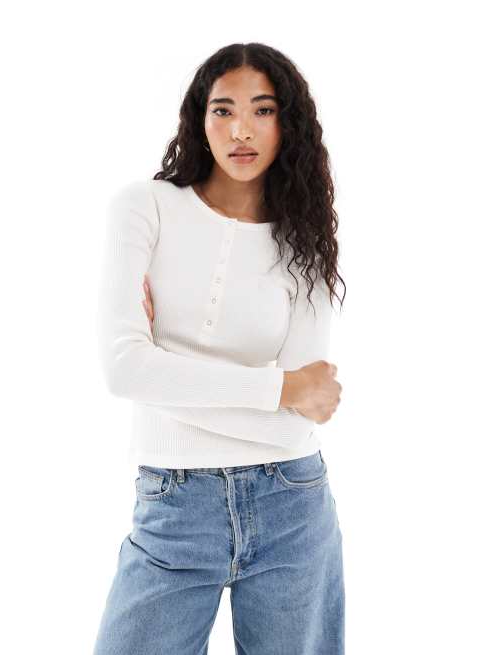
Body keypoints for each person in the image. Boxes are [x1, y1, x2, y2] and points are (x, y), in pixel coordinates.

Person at [93, 42, 346, 655]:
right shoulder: (145, 208)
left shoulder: (306, 239)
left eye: (263, 110)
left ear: (288, 123)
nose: (241, 130)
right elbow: (123, 371)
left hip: (292, 503)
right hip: (174, 507)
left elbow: (298, 422)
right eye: (223, 110)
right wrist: (280, 388)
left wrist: (165, 372)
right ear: (198, 120)